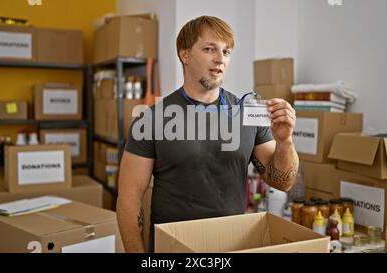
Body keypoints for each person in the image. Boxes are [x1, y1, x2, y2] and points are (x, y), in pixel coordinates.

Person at [116, 15, 299, 253]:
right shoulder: (151, 119)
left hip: (231, 245)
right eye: (209, 49)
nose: (220, 59)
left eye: (226, 52)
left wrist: (285, 141)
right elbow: (129, 197)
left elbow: (282, 183)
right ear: (185, 54)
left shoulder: (248, 113)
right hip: (173, 247)